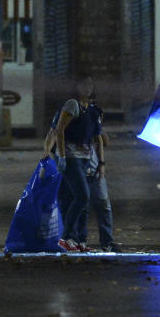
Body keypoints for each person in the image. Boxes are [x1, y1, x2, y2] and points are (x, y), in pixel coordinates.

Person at [43, 100, 118, 253]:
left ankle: (100, 241)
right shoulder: (66, 113)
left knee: (96, 202)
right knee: (76, 199)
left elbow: (104, 141)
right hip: (73, 162)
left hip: (90, 163)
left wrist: (97, 126)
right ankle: (73, 239)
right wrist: (48, 157)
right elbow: (54, 134)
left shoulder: (93, 114)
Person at [53, 75, 104, 253]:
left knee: (81, 200)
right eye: (84, 83)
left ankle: (80, 240)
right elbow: (59, 129)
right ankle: (66, 237)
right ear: (76, 86)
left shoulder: (93, 110)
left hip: (85, 159)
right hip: (70, 156)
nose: (88, 87)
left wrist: (101, 162)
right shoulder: (72, 105)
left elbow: (98, 138)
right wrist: (61, 156)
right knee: (82, 195)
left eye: (90, 83)